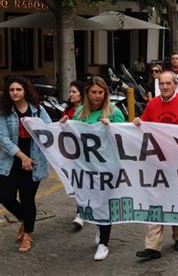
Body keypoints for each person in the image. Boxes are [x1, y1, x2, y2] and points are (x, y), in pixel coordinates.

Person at [134, 71, 178, 260]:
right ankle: (153, 246)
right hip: (157, 161)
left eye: (168, 83)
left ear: (176, 85)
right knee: (156, 200)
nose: (165, 87)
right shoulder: (152, 104)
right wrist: (137, 123)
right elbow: (144, 125)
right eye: (162, 84)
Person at [65, 76, 125, 260]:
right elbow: (73, 136)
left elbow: (125, 137)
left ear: (105, 93)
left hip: (107, 167)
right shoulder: (80, 112)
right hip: (86, 166)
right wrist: (64, 126)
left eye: (101, 92)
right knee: (92, 201)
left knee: (104, 204)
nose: (97, 96)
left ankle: (104, 243)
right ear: (87, 93)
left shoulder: (114, 112)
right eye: (93, 92)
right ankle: (100, 227)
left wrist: (113, 127)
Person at [0, 76, 52, 253]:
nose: (15, 93)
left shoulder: (38, 110)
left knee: (27, 198)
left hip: (35, 161)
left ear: (25, 91)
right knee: (5, 195)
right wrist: (22, 157)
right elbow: (4, 139)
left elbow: (48, 130)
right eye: (11, 90)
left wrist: (60, 125)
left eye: (18, 89)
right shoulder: (4, 111)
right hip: (11, 160)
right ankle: (24, 218)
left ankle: (28, 235)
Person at [62, 80, 87, 229]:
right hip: (74, 153)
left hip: (89, 154)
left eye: (74, 92)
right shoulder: (67, 111)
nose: (70, 94)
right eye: (70, 92)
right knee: (79, 182)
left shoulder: (89, 110)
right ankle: (81, 212)